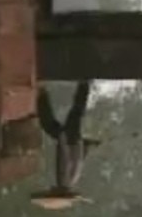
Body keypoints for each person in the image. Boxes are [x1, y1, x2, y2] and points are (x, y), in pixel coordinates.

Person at [31, 81, 100, 210]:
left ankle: (44, 93)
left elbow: (79, 159)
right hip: (69, 141)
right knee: (71, 114)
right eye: (52, 192)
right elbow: (65, 159)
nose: (50, 189)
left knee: (72, 115)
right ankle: (83, 85)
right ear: (58, 191)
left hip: (74, 141)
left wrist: (87, 145)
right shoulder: (63, 180)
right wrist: (62, 138)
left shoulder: (73, 179)